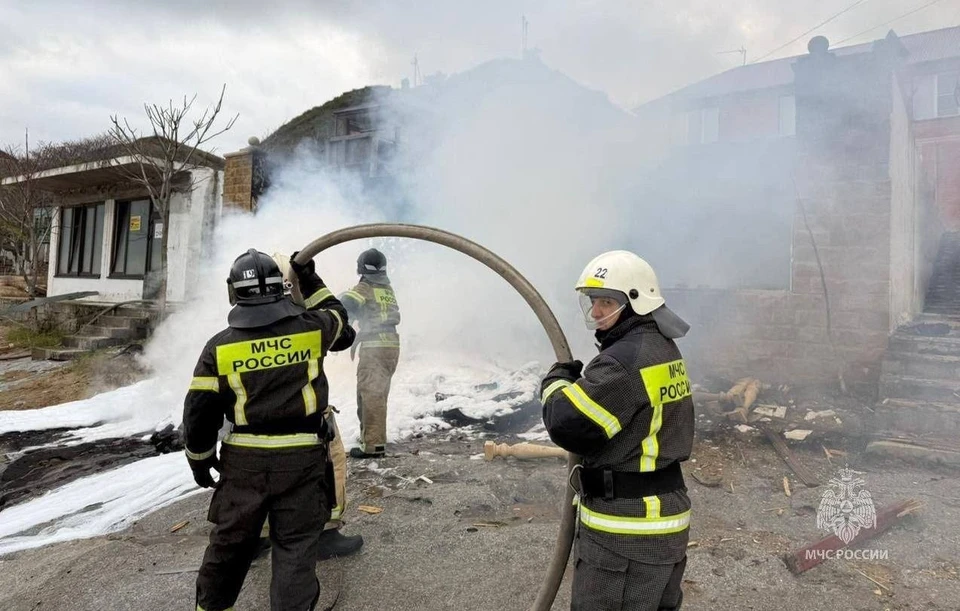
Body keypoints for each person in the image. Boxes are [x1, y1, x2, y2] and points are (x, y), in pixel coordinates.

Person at [183, 248, 354, 611]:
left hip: (243, 466)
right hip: (302, 462)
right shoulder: (312, 328)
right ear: (281, 290)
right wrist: (309, 279)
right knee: (295, 549)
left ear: (233, 293)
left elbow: (199, 411)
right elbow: (342, 322)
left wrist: (200, 460)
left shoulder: (220, 347)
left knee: (229, 546)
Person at [540, 250, 695, 611]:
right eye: (593, 302)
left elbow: (567, 425)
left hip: (625, 533)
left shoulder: (624, 361)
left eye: (606, 302)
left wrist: (556, 381)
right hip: (662, 518)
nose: (595, 312)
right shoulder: (662, 349)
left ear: (635, 303)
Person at [339, 248, 401, 459]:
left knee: (370, 395)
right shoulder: (387, 289)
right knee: (375, 393)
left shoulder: (365, 287)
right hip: (391, 346)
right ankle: (370, 437)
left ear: (361, 268)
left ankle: (373, 446)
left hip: (375, 347)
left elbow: (346, 305)